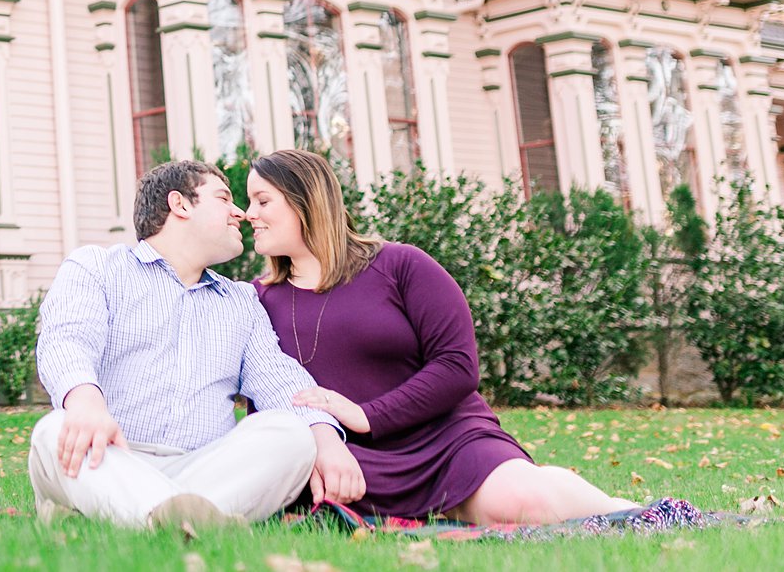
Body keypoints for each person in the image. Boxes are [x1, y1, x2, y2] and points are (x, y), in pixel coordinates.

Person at [245, 148, 639, 524]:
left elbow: (458, 366)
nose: (250, 215)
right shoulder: (257, 299)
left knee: (524, 502)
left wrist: (368, 414)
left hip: (446, 439)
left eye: (263, 201)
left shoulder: (400, 265)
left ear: (307, 201)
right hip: (351, 458)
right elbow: (263, 399)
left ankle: (624, 510)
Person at [30, 158, 365, 530]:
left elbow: (279, 379)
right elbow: (67, 338)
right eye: (224, 198)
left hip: (204, 469)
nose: (240, 212)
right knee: (52, 430)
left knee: (291, 435)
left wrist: (326, 438)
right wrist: (85, 402)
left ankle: (149, 519)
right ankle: (179, 519)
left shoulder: (240, 301)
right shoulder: (98, 268)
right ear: (181, 205)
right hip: (106, 458)